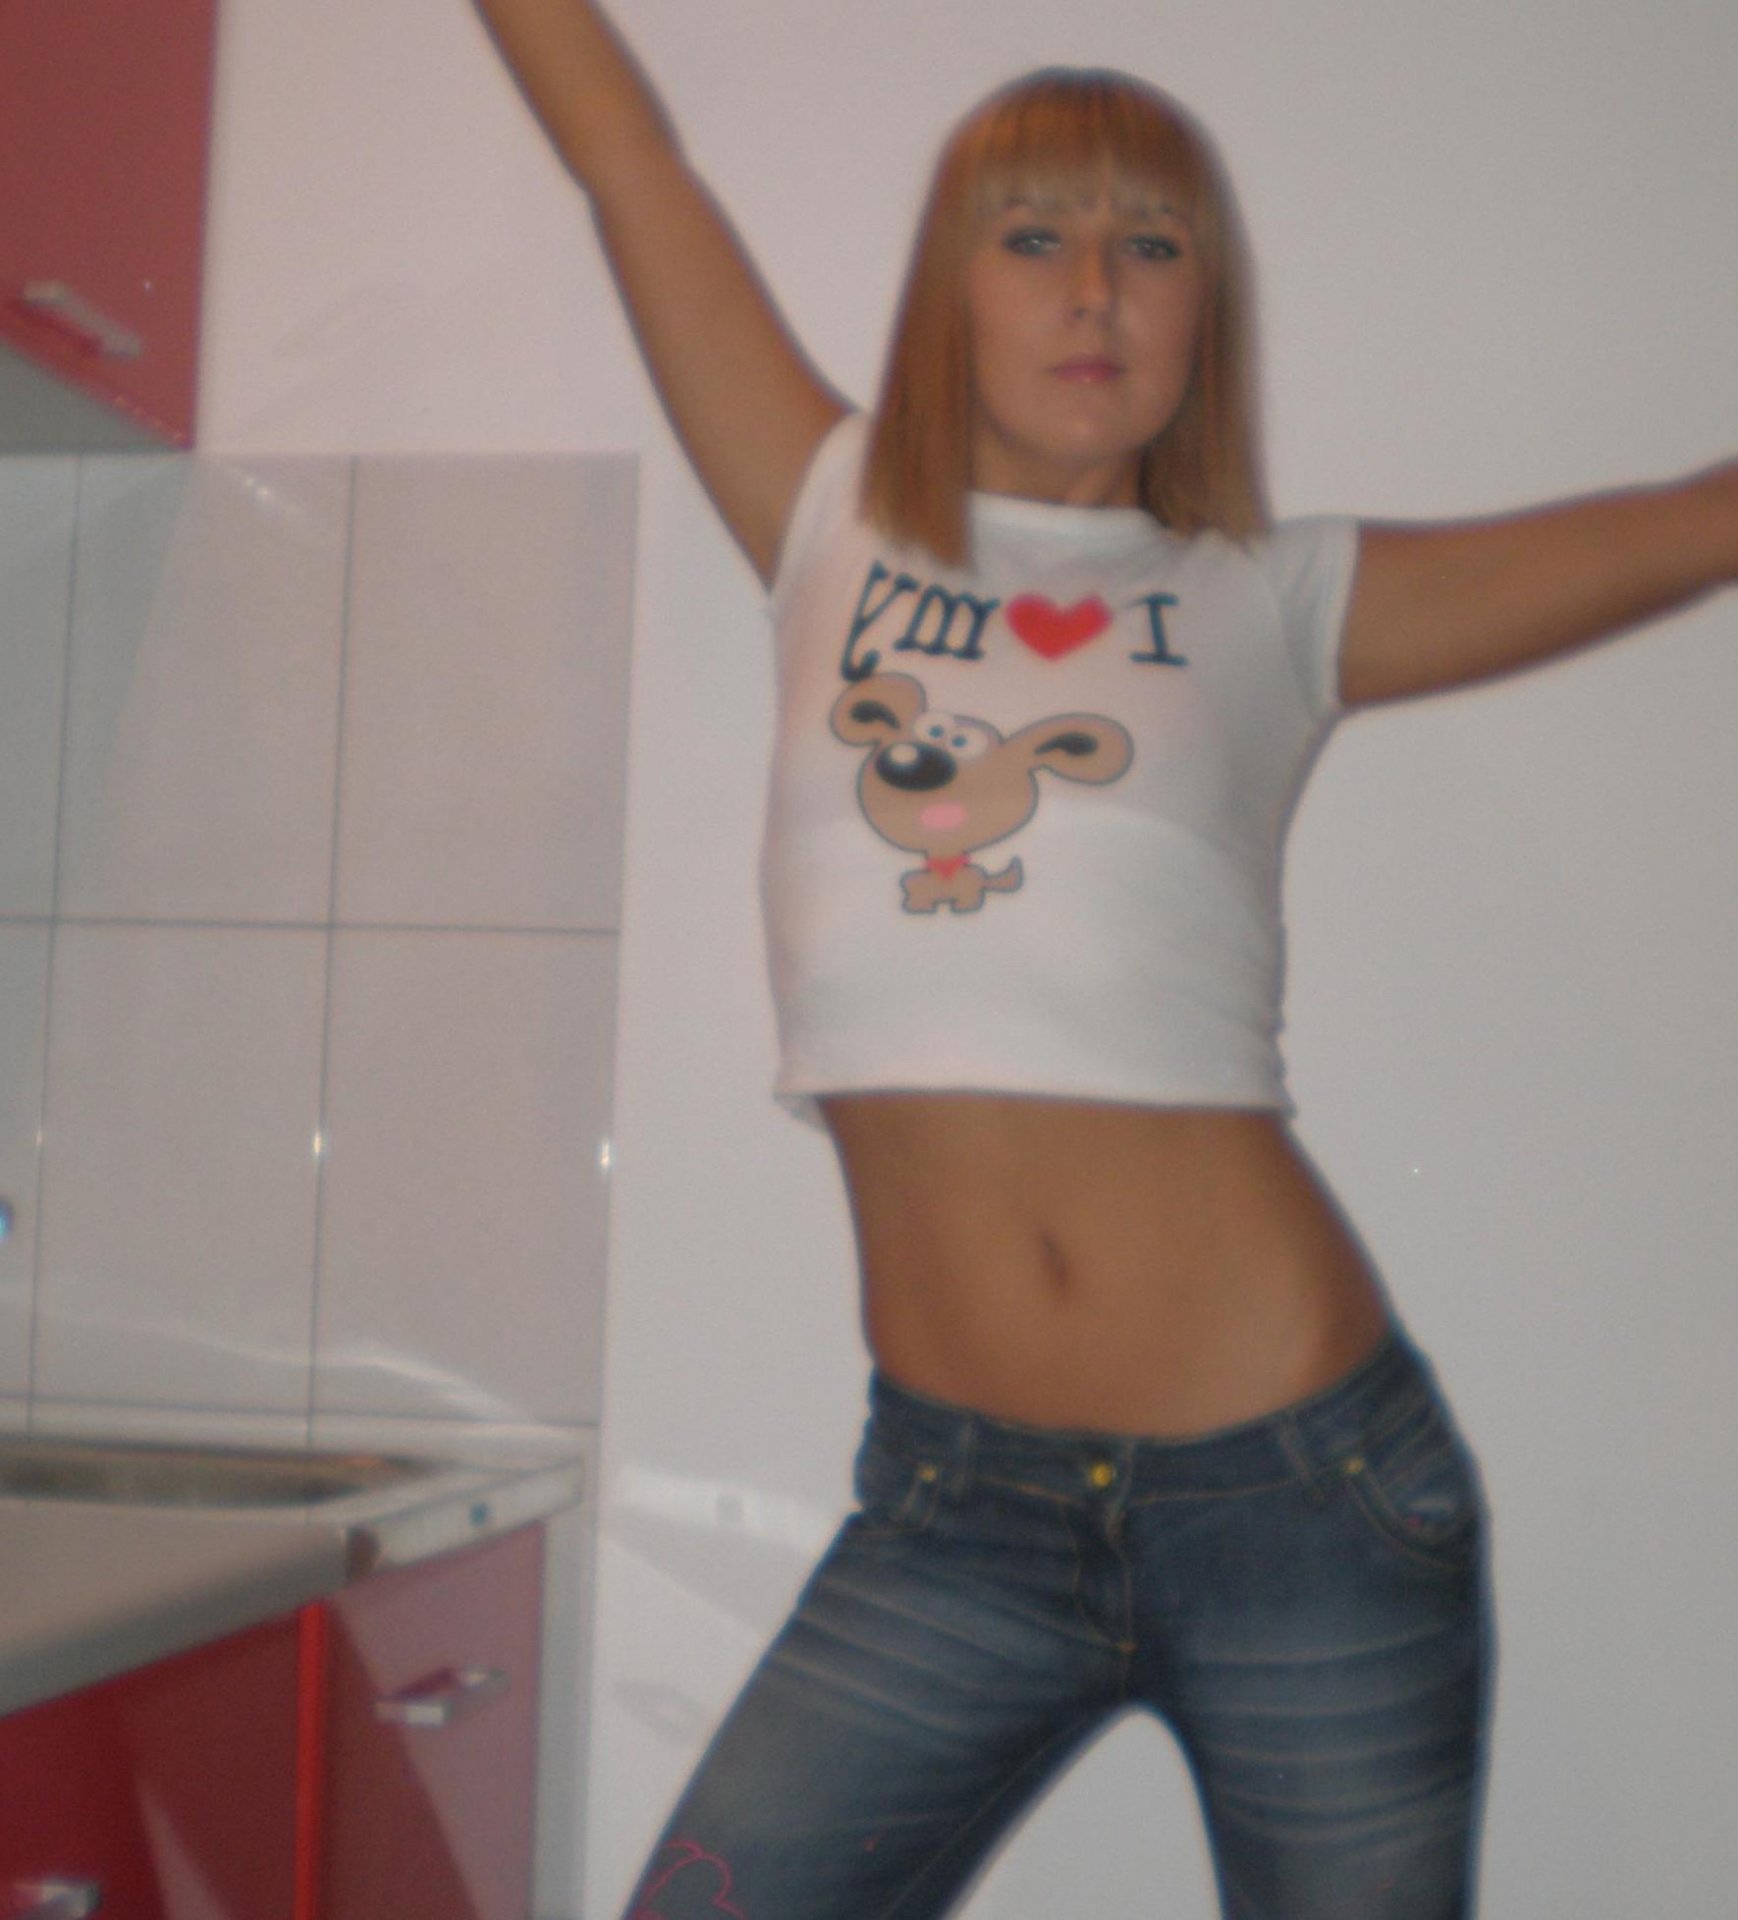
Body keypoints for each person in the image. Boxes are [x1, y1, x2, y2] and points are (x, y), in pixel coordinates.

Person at [473, 4, 1738, 1915]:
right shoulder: (825, 516)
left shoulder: (1272, 597)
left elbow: (1701, 520)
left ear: (1202, 314)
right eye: (1033, 234)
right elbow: (626, 164)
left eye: (1151, 243)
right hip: (953, 1516)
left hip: (1305, 1501)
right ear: (950, 293)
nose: (1093, 287)